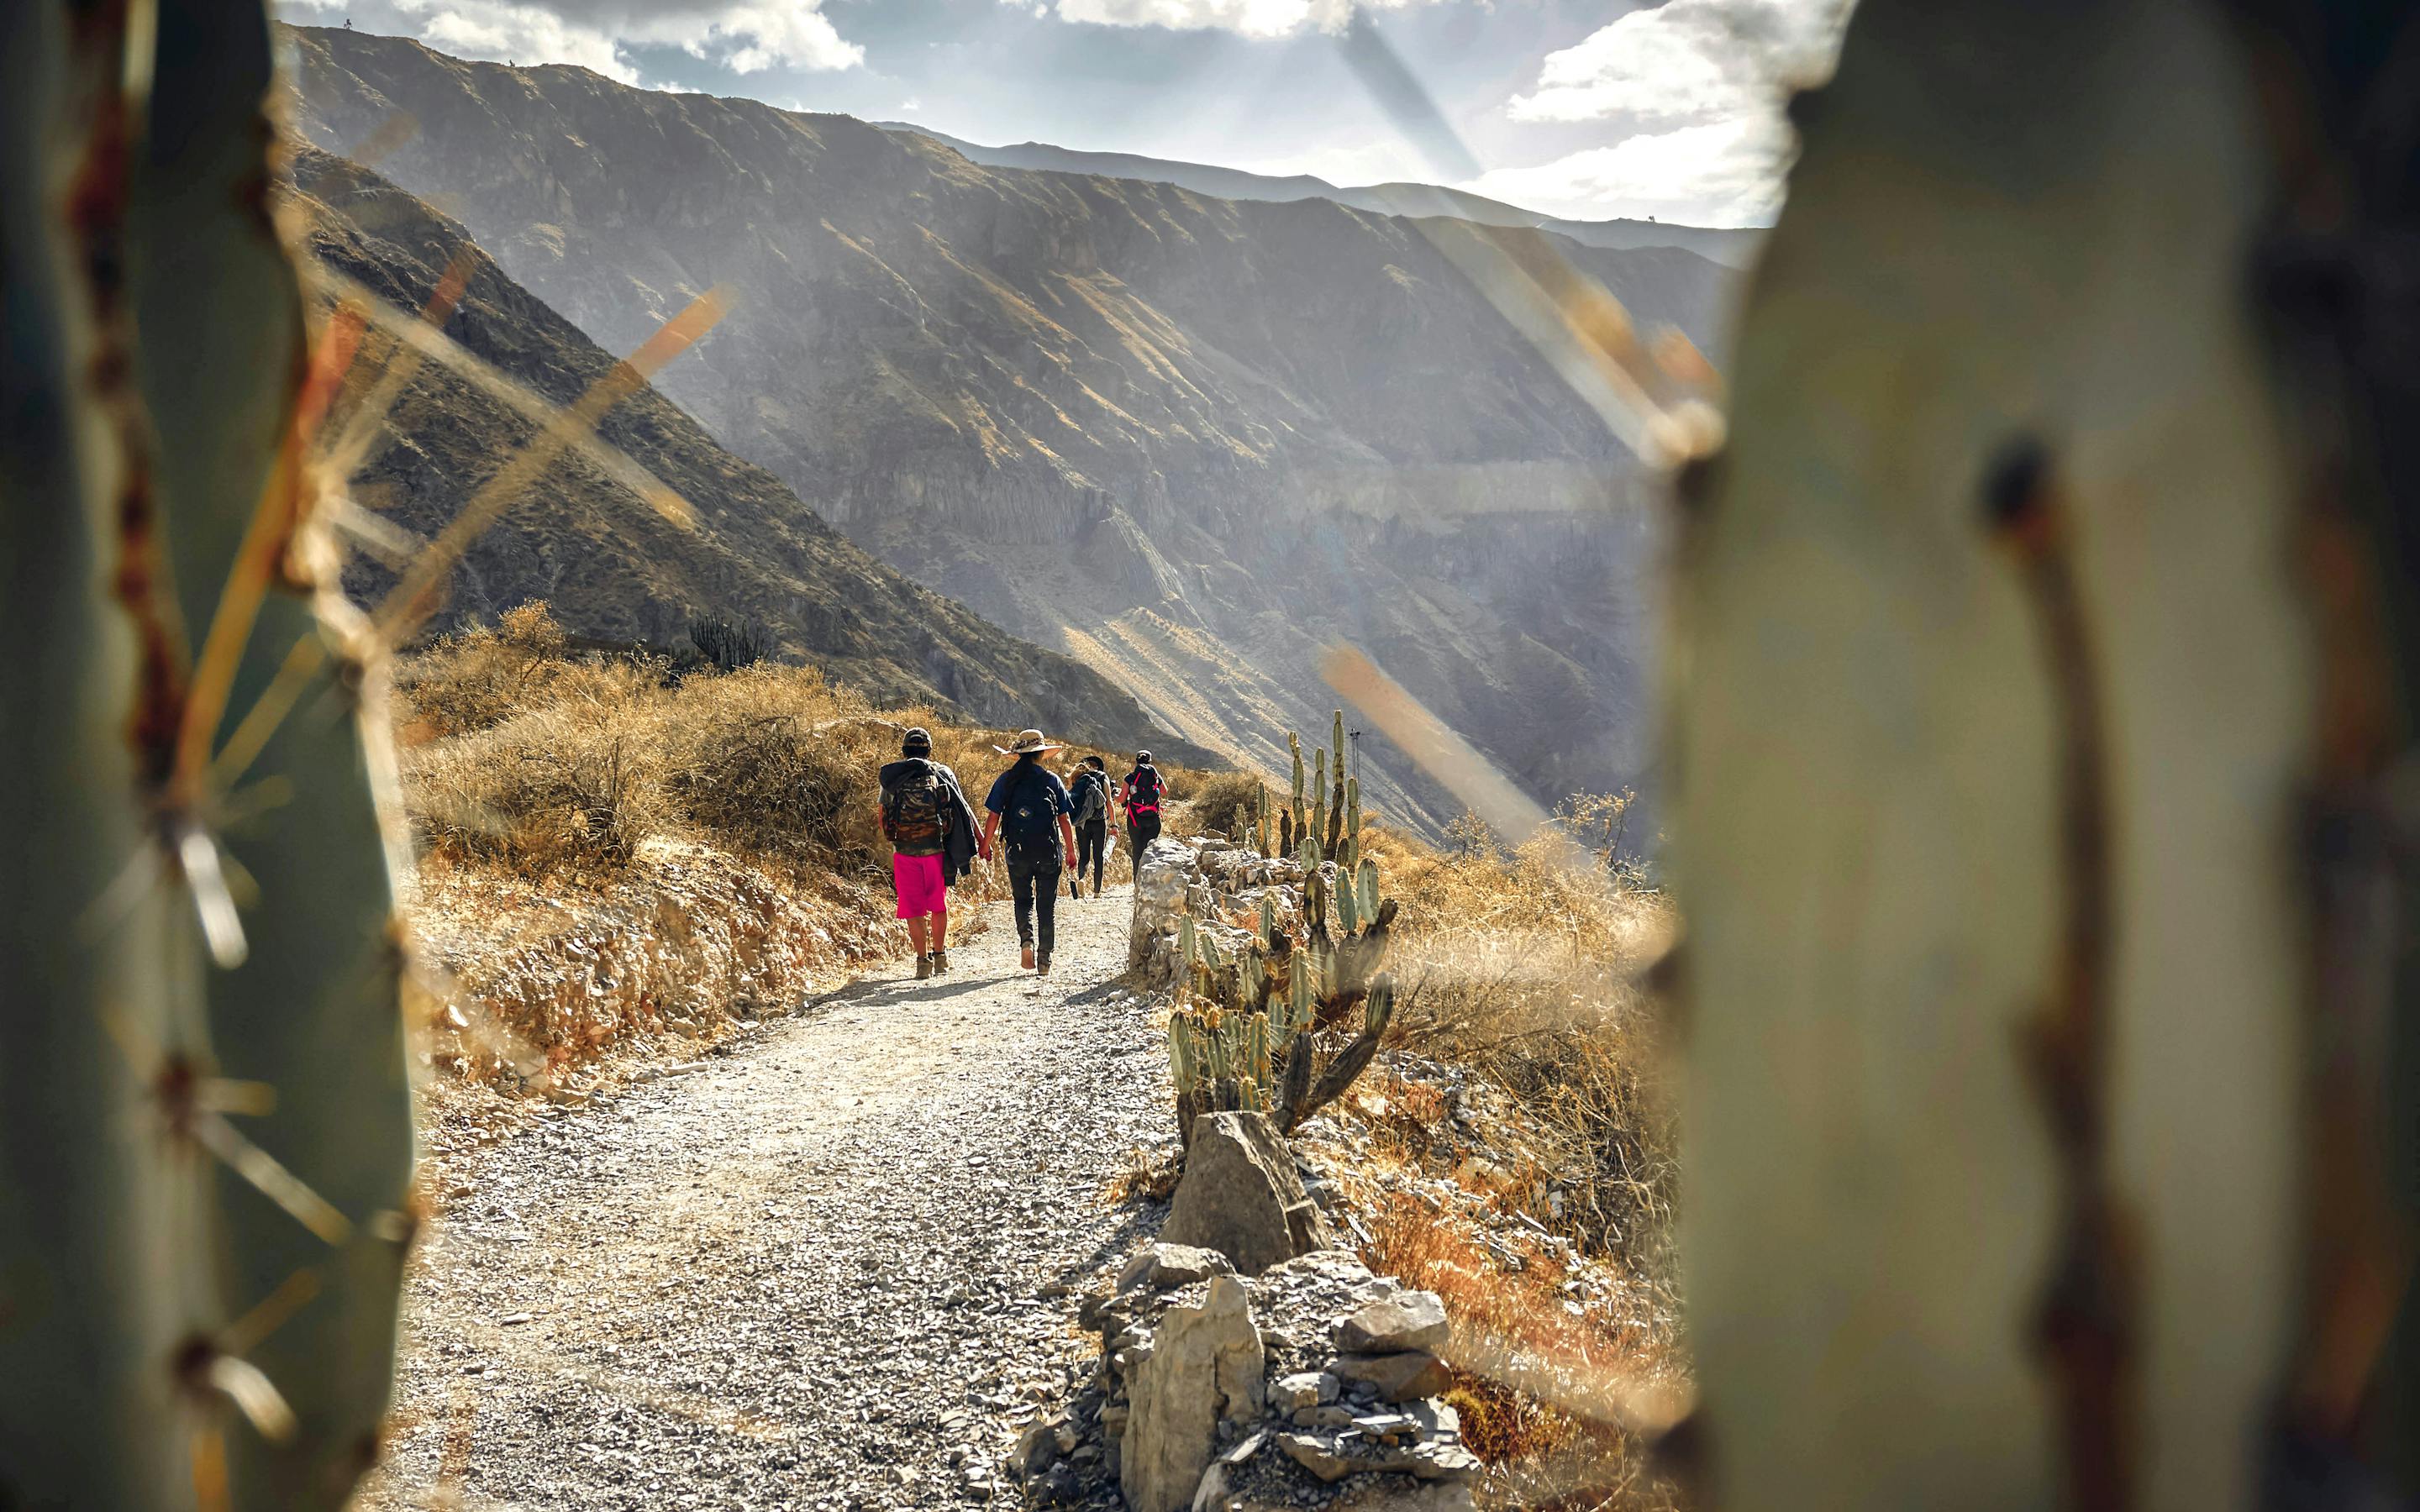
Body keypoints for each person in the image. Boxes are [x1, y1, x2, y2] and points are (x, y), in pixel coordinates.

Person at [876, 727, 974, 979]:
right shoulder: (941, 773)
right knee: (938, 905)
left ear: (904, 750)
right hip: (936, 851)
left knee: (913, 909)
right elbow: (958, 810)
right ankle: (940, 957)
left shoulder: (893, 778)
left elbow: (883, 816)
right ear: (929, 749)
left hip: (905, 852)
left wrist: (897, 838)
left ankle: (922, 962)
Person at [980, 730, 1079, 974]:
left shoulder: (1006, 780)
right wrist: (1071, 851)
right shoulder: (1052, 780)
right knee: (1046, 906)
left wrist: (985, 844)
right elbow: (1064, 818)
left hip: (1017, 851)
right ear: (1041, 754)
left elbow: (993, 816)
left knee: (1022, 900)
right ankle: (1044, 959)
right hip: (1048, 851)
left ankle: (1027, 941)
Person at [1065, 754, 1112, 900]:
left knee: (1084, 856)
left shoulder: (1078, 777)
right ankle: (1097, 892)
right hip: (1099, 822)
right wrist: (1114, 823)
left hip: (1082, 822)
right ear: (1097, 766)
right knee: (1098, 857)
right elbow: (1109, 801)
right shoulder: (1103, 777)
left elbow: (1071, 798)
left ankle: (1082, 880)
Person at [1119, 749, 1165, 856]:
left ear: (1137, 761)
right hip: (1153, 818)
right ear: (1150, 761)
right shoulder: (1155, 776)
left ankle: (1136, 872)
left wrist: (1114, 796)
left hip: (1135, 819)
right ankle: (1149, 871)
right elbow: (1164, 791)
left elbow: (1121, 799)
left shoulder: (1130, 777)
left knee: (1137, 849)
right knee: (1151, 850)